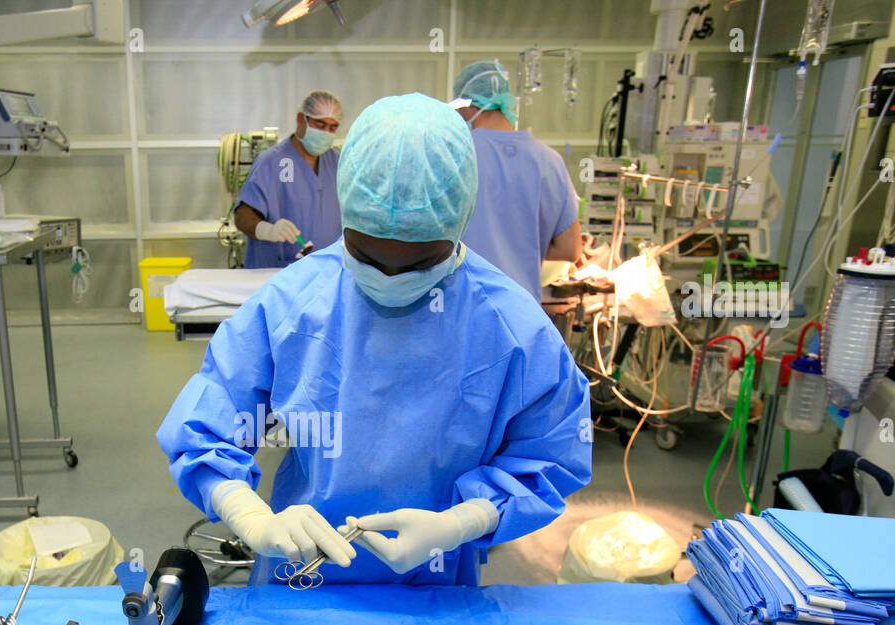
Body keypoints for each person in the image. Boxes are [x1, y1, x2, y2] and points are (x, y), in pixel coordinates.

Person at [158, 93, 591, 585]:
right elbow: (204, 429)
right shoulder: (291, 304)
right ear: (346, 220)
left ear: (459, 223)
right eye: (366, 256)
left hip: (435, 580)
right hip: (301, 573)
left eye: (420, 262)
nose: (390, 279)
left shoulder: (511, 329)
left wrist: (462, 521)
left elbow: (550, 455)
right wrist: (251, 517)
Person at [451, 60, 582, 302]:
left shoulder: (455, 155)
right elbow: (570, 249)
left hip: (466, 305)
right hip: (522, 310)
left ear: (469, 106)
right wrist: (523, 248)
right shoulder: (549, 161)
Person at [234, 90, 344, 269]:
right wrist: (267, 230)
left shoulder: (337, 162)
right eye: (320, 125)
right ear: (301, 119)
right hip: (279, 273)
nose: (326, 132)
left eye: (332, 128)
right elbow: (242, 216)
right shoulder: (272, 162)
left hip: (326, 273)